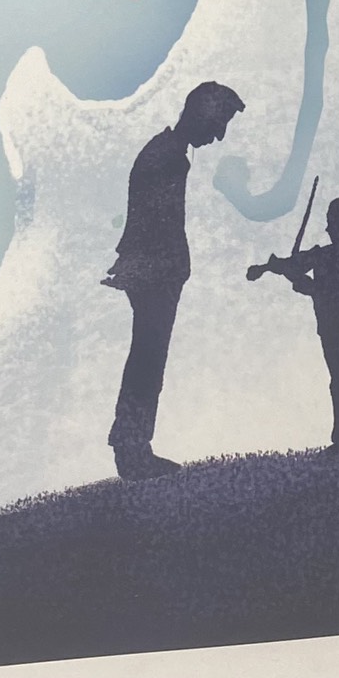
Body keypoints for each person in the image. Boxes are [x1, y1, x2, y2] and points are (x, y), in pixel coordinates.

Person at [102, 81, 245, 479]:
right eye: (218, 123)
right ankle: (132, 448)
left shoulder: (166, 152)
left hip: (153, 270)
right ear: (201, 114)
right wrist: (167, 267)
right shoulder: (168, 158)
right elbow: (157, 224)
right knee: (148, 360)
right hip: (154, 272)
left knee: (147, 358)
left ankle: (132, 445)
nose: (219, 135)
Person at [257, 194, 339, 455]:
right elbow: (294, 265)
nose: (327, 228)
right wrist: (269, 267)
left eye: (331, 222)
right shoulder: (333, 254)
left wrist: (308, 286)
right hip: (332, 330)